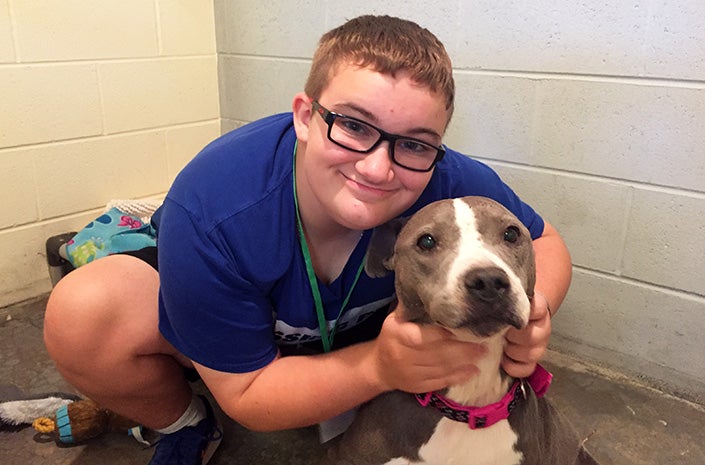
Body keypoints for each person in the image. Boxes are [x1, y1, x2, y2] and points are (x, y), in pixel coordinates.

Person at [44, 14, 571, 465]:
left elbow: (545, 244)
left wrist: (535, 307)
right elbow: (247, 397)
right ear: (304, 116)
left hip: (349, 338)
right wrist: (377, 368)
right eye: (353, 126)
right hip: (251, 349)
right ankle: (183, 423)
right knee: (85, 312)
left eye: (414, 142)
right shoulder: (215, 204)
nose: (378, 166)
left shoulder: (444, 180)